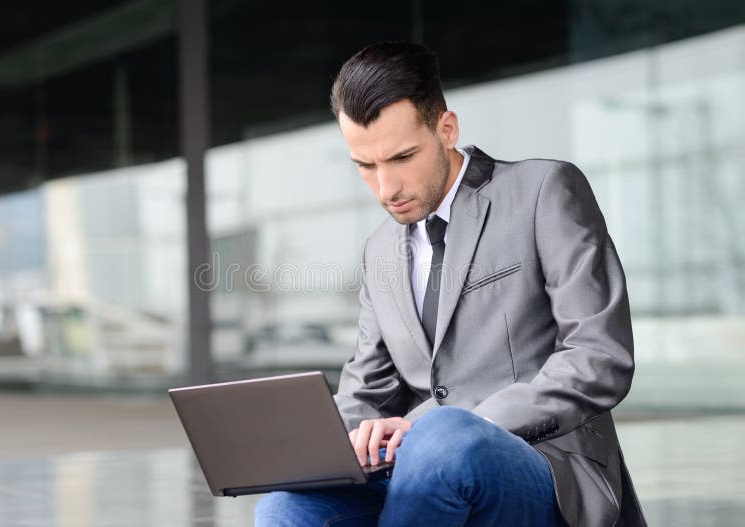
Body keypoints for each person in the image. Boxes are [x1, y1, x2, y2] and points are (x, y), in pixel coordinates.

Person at [255, 41, 647, 527]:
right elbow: (367, 393)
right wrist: (320, 447)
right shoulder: (379, 250)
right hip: (419, 469)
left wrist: (453, 427)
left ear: (446, 129)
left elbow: (599, 356)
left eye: (401, 157)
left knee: (442, 439)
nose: (386, 187)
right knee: (284, 505)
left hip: (546, 463)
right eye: (365, 165)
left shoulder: (543, 192)